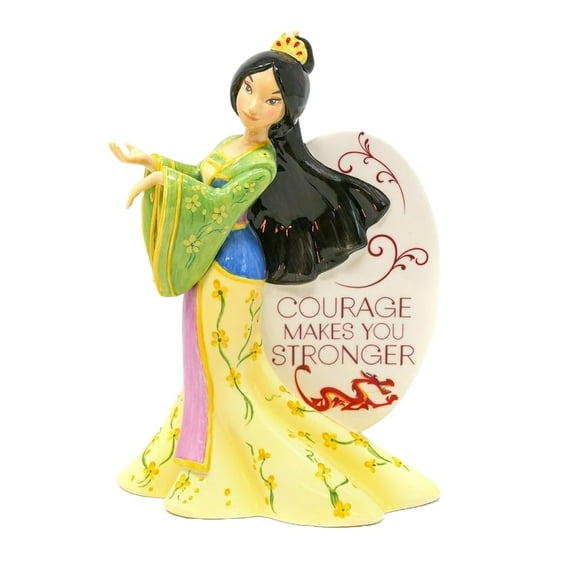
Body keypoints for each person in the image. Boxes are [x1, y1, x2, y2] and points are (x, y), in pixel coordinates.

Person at [110, 33, 439, 526]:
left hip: (234, 264)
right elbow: (202, 176)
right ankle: (194, 450)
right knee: (207, 359)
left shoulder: (262, 161)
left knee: (228, 365)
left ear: (287, 112)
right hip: (212, 260)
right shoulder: (229, 144)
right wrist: (157, 163)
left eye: (271, 99)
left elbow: (221, 203)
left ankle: (228, 462)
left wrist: (167, 185)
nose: (253, 105)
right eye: (249, 89)